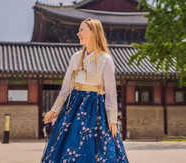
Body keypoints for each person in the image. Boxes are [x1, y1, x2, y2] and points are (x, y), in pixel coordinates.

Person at [41, 18, 129, 163]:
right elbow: (66, 88)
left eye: (82, 30)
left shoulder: (105, 59)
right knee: (68, 147)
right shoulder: (75, 58)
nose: (78, 33)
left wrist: (112, 121)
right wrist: (54, 109)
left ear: (94, 32)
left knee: (99, 150)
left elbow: (111, 93)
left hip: (96, 108)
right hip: (73, 108)